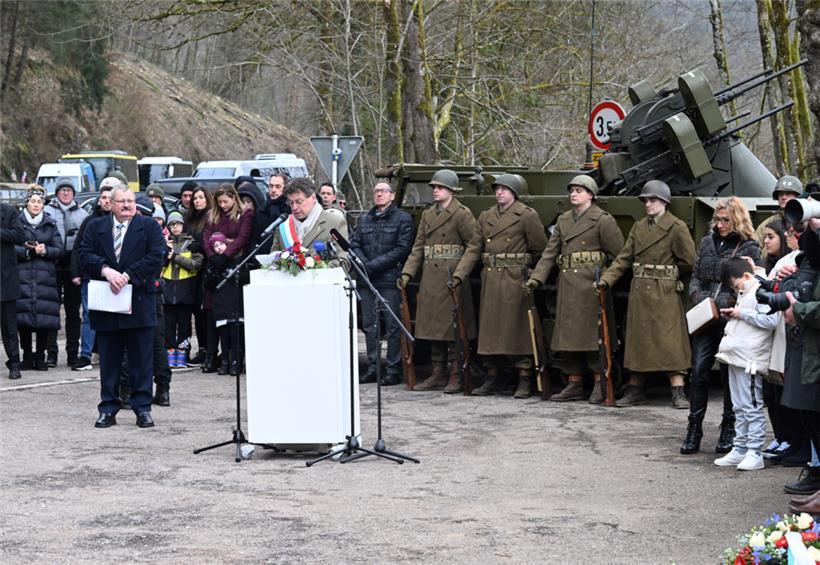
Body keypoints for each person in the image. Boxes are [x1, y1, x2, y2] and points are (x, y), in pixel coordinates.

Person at [525, 175, 624, 402]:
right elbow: (550, 254)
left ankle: (600, 381)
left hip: (592, 287)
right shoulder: (563, 220)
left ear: (590, 195)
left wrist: (605, 279)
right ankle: (574, 382)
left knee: (594, 337)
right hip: (568, 285)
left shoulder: (603, 220)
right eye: (571, 190)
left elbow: (619, 255)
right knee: (567, 337)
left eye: (579, 190)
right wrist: (537, 279)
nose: (573, 194)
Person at [598, 180, 696, 408]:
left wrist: (669, 274)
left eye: (652, 200)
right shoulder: (639, 227)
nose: (648, 204)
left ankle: (678, 389)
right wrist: (606, 280)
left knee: (670, 340)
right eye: (645, 201)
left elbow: (689, 260)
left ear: (664, 201)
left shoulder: (676, 226)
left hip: (664, 291)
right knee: (639, 341)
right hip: (641, 290)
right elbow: (623, 258)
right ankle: (635, 389)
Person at [452, 173, 548, 398]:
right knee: (491, 330)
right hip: (491, 278)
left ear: (514, 192)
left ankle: (524, 377)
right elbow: (474, 248)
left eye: (504, 189)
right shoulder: (486, 217)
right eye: (496, 188)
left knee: (518, 330)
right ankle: (493, 374)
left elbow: (540, 250)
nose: (499, 192)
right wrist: (459, 275)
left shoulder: (526, 215)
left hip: (516, 279)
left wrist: (531, 274)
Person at [78, 186, 165, 428]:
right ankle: (108, 408)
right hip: (108, 304)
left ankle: (142, 409)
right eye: (121, 201)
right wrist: (105, 270)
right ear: (111, 204)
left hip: (138, 302)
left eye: (130, 201)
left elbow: (156, 257)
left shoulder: (149, 227)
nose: (127, 205)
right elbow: (84, 255)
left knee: (141, 361)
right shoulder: (96, 227)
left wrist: (126, 275)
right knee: (109, 361)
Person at [680, 196, 761, 454]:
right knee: (699, 371)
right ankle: (694, 429)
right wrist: (698, 297)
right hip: (705, 316)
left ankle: (729, 428)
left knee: (729, 376)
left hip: (731, 317)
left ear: (737, 219)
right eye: (717, 219)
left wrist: (727, 302)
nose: (720, 224)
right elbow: (695, 277)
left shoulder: (749, 247)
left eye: (725, 220)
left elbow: (752, 282)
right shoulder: (706, 243)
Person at [399, 169, 477, 393]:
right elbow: (419, 247)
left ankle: (456, 375)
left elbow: (473, 245)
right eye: (434, 187)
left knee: (453, 329)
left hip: (452, 278)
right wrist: (408, 273)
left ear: (451, 190)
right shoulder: (428, 215)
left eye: (440, 187)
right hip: (431, 278)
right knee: (433, 329)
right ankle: (437, 373)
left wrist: (460, 274)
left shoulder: (462, 214)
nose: (435, 191)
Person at [711, 258, 780, 471]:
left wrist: (741, 314)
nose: (735, 289)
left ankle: (754, 452)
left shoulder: (760, 290)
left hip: (750, 357)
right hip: (737, 355)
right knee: (739, 406)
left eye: (735, 285)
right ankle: (740, 448)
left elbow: (771, 321)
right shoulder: (747, 291)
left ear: (746, 276)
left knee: (751, 405)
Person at [350, 181, 414, 386]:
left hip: (388, 279)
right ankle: (373, 367)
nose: (378, 194)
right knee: (370, 326)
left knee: (393, 326)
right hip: (366, 280)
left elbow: (402, 248)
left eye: (383, 191)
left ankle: (393, 369)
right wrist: (364, 265)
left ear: (392, 195)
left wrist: (374, 265)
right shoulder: (364, 219)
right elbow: (354, 243)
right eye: (376, 191)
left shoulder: (402, 219)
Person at [202, 184, 252, 373]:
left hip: (234, 263)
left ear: (233, 198)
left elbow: (242, 238)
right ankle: (219, 357)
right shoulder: (212, 215)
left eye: (226, 201)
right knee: (219, 314)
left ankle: (236, 359)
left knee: (235, 315)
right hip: (215, 264)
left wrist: (227, 253)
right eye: (219, 202)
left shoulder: (244, 214)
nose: (223, 205)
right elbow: (206, 238)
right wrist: (213, 257)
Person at [15, 186, 64, 373]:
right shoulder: (17, 222)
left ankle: (40, 356)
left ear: (44, 204)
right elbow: (10, 247)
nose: (36, 205)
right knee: (23, 318)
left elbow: (59, 250)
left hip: (45, 277)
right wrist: (28, 251)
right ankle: (27, 355)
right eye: (33, 201)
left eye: (40, 202)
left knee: (44, 319)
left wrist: (46, 251)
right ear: (27, 202)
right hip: (22, 276)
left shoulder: (50, 224)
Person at [71, 178, 117, 371]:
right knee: (89, 316)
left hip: (114, 277)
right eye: (103, 197)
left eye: (109, 198)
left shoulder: (121, 222)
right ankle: (85, 355)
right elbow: (78, 248)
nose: (106, 201)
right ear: (99, 200)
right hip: (91, 276)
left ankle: (110, 354)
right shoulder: (89, 222)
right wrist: (76, 272)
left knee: (113, 316)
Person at [43, 177, 88, 367]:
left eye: (69, 190)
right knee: (51, 310)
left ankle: (72, 352)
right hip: (51, 263)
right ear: (57, 192)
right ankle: (51, 352)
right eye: (63, 189)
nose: (66, 193)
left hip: (73, 265)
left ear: (74, 193)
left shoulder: (82, 214)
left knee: (72, 312)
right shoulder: (47, 211)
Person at [162, 211, 203, 369]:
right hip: (167, 290)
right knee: (169, 325)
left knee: (185, 325)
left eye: (178, 223)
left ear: (183, 225)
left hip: (186, 289)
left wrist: (175, 257)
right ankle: (170, 353)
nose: (175, 227)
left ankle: (183, 353)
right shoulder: (165, 242)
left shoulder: (191, 243)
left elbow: (197, 264)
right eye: (172, 224)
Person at [273, 177, 348, 256]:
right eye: (291, 203)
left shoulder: (335, 223)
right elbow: (274, 260)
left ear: (313, 198)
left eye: (299, 202)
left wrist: (314, 267)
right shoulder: (283, 227)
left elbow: (342, 260)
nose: (294, 207)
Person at [203, 232, 244, 375]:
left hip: (235, 303)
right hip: (221, 305)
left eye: (221, 244)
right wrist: (212, 273)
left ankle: (236, 362)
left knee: (236, 335)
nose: (219, 248)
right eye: (216, 246)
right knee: (224, 336)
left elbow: (244, 278)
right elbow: (208, 285)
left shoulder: (237, 261)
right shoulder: (213, 265)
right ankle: (225, 361)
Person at [186, 186, 214, 370]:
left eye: (201, 197)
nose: (197, 201)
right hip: (191, 269)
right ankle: (202, 347)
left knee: (205, 311)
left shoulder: (210, 218)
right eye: (195, 198)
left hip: (205, 267)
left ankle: (209, 349)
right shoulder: (190, 219)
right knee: (196, 310)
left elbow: (205, 242)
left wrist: (195, 246)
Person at [1, 203, 27, 379]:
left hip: (5, 278)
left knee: (9, 326)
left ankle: (14, 363)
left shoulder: (8, 211)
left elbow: (19, 235)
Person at [754, 175, 802, 250]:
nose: (783, 197)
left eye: (788, 194)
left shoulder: (805, 222)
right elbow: (754, 247)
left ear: (798, 197)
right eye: (780, 194)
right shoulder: (768, 224)